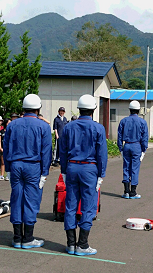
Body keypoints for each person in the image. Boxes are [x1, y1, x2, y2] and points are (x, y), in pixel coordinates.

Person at [59, 94, 107, 256]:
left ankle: (71, 244)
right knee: (88, 206)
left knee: (70, 205)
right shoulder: (98, 128)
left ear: (79, 109)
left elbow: (63, 151)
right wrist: (101, 174)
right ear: (93, 109)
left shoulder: (68, 127)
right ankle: (83, 245)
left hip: (72, 167)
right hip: (89, 169)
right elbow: (102, 154)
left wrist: (64, 171)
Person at [4, 94, 52, 249]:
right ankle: (28, 238)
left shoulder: (12, 125)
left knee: (16, 199)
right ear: (38, 109)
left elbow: (6, 148)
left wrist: (8, 168)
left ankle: (17, 237)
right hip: (33, 166)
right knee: (31, 200)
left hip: (16, 165)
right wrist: (45, 172)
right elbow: (46, 151)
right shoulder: (43, 126)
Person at [117, 100, 148, 199]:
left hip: (127, 145)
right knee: (135, 168)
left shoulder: (123, 121)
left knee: (126, 167)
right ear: (138, 110)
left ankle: (126, 191)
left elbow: (119, 136)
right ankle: (133, 192)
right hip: (136, 146)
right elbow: (144, 137)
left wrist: (120, 148)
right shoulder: (142, 122)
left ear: (129, 110)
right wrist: (144, 150)